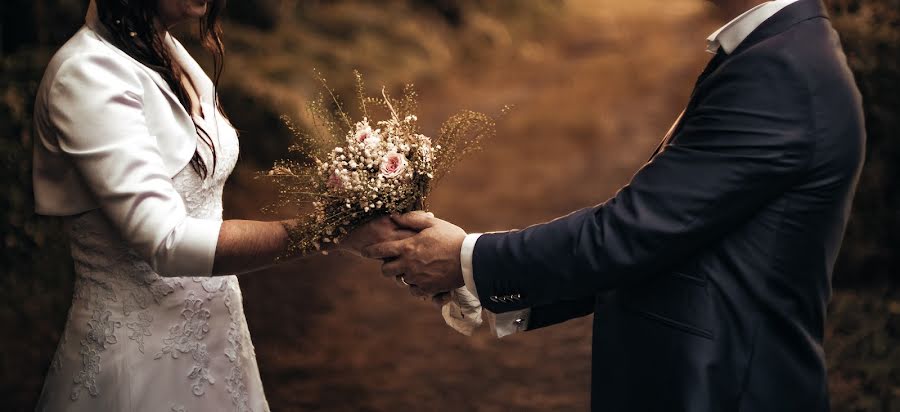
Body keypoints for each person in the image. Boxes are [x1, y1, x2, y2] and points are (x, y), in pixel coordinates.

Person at [364, 0, 866, 410]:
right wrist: (481, 285)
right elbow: (675, 235)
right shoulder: (773, 52)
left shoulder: (780, 69)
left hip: (727, 388)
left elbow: (634, 231)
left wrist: (468, 259)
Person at [31, 1, 402, 410]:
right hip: (137, 361)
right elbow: (167, 242)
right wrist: (324, 231)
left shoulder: (165, 50)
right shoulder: (87, 74)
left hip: (218, 344)